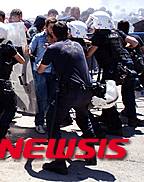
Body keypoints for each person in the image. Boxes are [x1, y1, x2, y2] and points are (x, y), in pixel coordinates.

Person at [37, 21, 97, 175]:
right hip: (86, 91)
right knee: (84, 118)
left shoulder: (52, 48)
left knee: (52, 121)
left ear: (53, 34)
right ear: (68, 33)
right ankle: (91, 154)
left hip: (68, 92)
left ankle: (59, 162)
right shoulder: (78, 45)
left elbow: (40, 70)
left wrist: (48, 51)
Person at [85, 11, 139, 135]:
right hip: (121, 67)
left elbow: (89, 53)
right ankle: (110, 117)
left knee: (105, 96)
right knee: (121, 93)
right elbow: (134, 43)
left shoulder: (100, 36)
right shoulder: (115, 32)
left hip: (110, 70)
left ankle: (115, 125)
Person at [28, 17, 58, 134]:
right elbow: (30, 48)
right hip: (40, 72)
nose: (52, 30)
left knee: (52, 98)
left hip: (53, 72)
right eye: (51, 27)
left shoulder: (57, 39)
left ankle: (49, 121)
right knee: (41, 98)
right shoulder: (38, 37)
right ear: (46, 27)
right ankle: (39, 122)